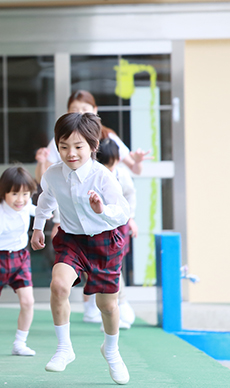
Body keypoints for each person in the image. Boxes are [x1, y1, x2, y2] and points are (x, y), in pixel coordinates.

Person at [31, 112, 131, 385]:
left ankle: (111, 351)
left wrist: (102, 209)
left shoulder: (103, 177)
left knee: (107, 305)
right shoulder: (53, 173)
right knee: (59, 286)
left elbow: (123, 213)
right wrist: (38, 227)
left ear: (92, 146)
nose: (70, 153)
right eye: (64, 147)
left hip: (104, 240)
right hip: (71, 239)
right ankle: (64, 349)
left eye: (78, 147)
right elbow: (45, 200)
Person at [0, 166, 38, 357]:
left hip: (20, 258)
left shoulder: (26, 205)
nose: (21, 200)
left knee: (28, 302)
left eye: (26, 194)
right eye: (14, 194)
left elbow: (37, 211)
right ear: (4, 193)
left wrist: (51, 215)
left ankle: (20, 343)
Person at [35, 90, 150, 182]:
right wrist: (41, 162)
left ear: (95, 110)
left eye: (85, 109)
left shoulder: (107, 136)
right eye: (75, 110)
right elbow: (43, 179)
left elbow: (136, 170)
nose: (80, 113)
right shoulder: (62, 139)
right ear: (68, 112)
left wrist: (138, 161)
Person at [96, 138, 138, 328]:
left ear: (117, 161)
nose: (107, 168)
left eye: (110, 165)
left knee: (114, 265)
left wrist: (131, 218)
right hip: (99, 227)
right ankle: (108, 308)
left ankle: (120, 303)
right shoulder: (94, 175)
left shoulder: (122, 175)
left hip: (118, 226)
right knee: (99, 267)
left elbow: (130, 196)